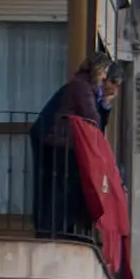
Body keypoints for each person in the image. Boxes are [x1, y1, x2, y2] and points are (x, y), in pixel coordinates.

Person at [30, 53, 113, 236]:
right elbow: (93, 119)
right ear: (97, 69)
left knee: (65, 189)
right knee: (61, 189)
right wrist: (103, 101)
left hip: (68, 144)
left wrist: (104, 103)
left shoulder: (87, 88)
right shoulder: (81, 87)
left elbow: (97, 125)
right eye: (104, 71)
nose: (105, 77)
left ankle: (60, 228)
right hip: (62, 145)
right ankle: (54, 229)